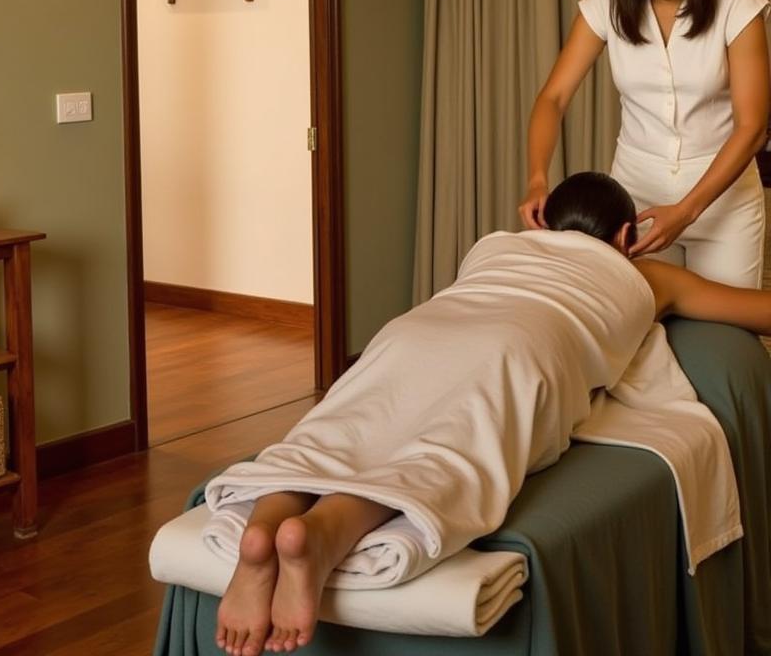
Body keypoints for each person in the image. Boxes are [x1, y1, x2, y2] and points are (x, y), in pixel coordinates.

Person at [214, 172, 771, 656]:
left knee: (342, 429)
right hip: (519, 348)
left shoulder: (497, 246)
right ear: (628, 237)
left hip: (419, 331)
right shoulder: (648, 276)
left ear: (543, 222)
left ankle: (262, 528)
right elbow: (759, 310)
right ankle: (323, 535)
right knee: (445, 452)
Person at [519, 0, 770, 287]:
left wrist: (687, 210)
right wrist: (536, 178)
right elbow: (553, 97)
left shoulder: (736, 6)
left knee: (729, 328)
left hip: (724, 203)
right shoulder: (607, 3)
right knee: (643, 327)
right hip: (637, 199)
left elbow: (752, 126)